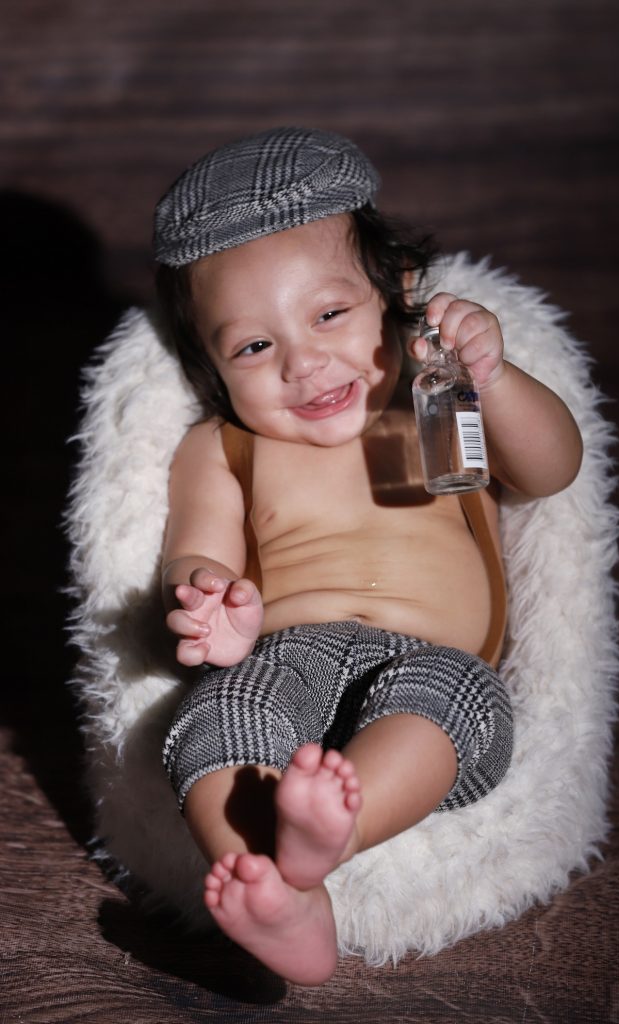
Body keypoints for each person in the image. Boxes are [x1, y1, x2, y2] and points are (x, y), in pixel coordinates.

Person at [153, 127, 583, 985]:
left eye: (328, 314)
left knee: (456, 701)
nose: (305, 364)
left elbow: (551, 470)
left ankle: (330, 838)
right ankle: (277, 893)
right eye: (253, 346)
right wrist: (207, 596)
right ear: (208, 364)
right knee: (215, 723)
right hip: (288, 657)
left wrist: (492, 378)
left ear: (395, 291)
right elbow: (193, 548)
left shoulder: (437, 390)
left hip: (433, 664)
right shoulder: (223, 445)